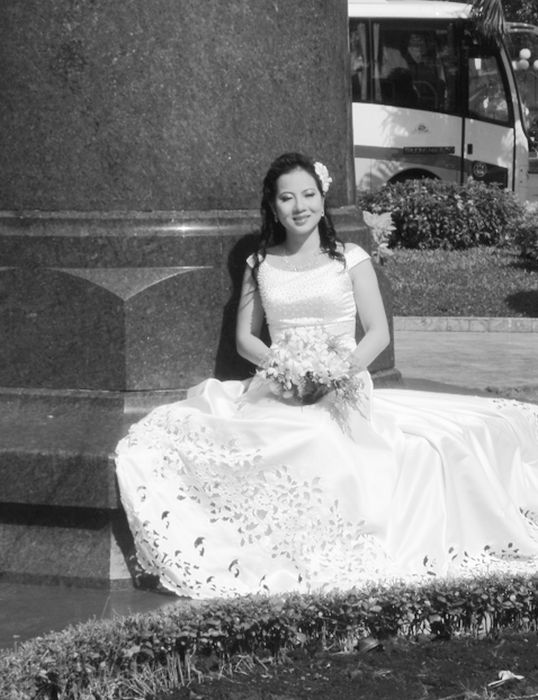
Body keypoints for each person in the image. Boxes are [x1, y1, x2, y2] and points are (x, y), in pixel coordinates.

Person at [116, 152, 538, 599]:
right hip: (280, 381)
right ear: (273, 206)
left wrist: (336, 373)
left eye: (308, 195)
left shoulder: (350, 258)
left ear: (322, 198)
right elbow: (245, 339)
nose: (299, 206)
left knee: (319, 436)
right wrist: (285, 370)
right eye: (287, 198)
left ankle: (329, 550)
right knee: (253, 437)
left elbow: (377, 332)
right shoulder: (260, 264)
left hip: (344, 381)